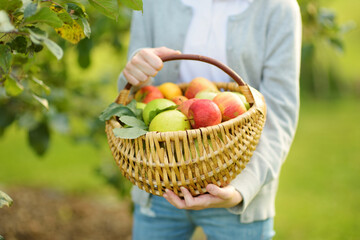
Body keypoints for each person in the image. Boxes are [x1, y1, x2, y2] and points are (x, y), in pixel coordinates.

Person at [117, 0, 302, 239]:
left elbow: (279, 113)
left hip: (237, 185)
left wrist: (241, 189)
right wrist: (136, 74)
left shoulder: (278, 8)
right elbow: (128, 98)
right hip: (161, 182)